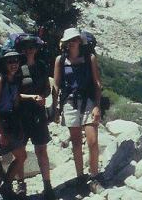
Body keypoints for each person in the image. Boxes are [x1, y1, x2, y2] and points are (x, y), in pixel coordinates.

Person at [53, 27, 103, 193]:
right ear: (66, 43)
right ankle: (81, 177)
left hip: (88, 101)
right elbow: (56, 85)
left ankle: (94, 176)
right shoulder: (60, 60)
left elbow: (97, 84)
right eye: (70, 40)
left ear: (80, 41)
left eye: (76, 39)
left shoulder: (90, 58)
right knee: (75, 143)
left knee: (92, 141)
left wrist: (97, 105)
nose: (73, 42)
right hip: (70, 103)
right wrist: (55, 108)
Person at [16, 35, 55, 200]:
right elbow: (13, 94)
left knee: (41, 150)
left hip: (38, 114)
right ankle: (21, 185)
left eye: (32, 46)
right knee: (20, 152)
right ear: (22, 49)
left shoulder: (41, 66)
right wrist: (32, 97)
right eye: (27, 46)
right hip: (21, 115)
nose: (30, 49)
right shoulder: (16, 67)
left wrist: (44, 95)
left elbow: (47, 88)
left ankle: (47, 185)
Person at [0, 50, 27, 198]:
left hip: (9, 121)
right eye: (10, 61)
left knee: (21, 155)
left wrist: (18, 125)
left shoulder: (14, 79)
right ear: (4, 63)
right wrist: (1, 131)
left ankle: (6, 186)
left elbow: (14, 104)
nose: (14, 64)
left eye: (16, 61)